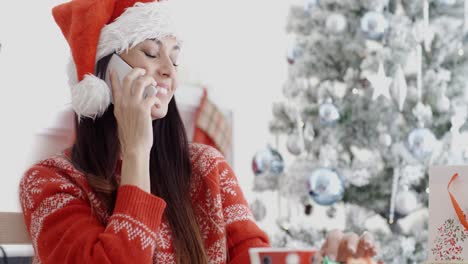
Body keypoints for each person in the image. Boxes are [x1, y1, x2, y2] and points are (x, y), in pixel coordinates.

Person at [18, 0, 377, 263]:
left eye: (174, 57)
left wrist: (325, 260)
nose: (168, 71)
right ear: (105, 72)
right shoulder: (50, 182)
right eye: (150, 52)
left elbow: (249, 257)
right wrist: (137, 153)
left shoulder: (207, 168)